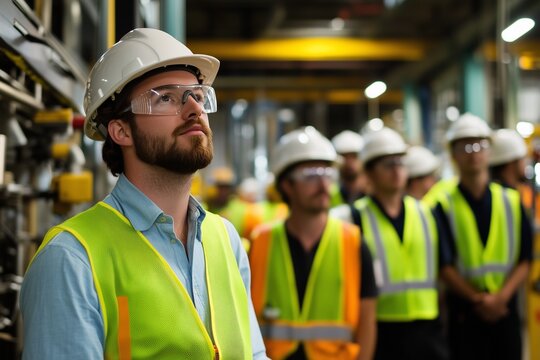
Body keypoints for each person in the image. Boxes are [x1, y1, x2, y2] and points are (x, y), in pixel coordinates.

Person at [20, 28, 267, 359]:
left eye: (197, 94)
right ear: (121, 130)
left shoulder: (226, 239)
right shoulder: (71, 258)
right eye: (165, 97)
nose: (194, 109)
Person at [249, 126, 377, 360]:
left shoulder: (353, 241)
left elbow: (368, 321)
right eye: (311, 175)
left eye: (327, 174)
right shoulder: (261, 242)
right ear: (287, 185)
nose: (323, 184)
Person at [432, 113, 532, 360]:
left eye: (480, 145)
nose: (473, 152)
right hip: (465, 315)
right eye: (465, 146)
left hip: (505, 311)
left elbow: (525, 258)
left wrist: (500, 298)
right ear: (453, 154)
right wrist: (479, 300)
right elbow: (444, 265)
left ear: (489, 151)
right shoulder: (443, 205)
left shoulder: (511, 201)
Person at [351, 127, 448, 360]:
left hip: (426, 328)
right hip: (380, 327)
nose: (396, 171)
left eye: (400, 163)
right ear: (370, 173)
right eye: (388, 164)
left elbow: (445, 268)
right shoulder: (355, 217)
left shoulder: (427, 213)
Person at [206, 166, 264, 239]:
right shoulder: (205, 208)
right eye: (220, 187)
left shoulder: (243, 209)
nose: (223, 191)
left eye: (226, 187)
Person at [330, 130, 367, 206]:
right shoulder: (329, 194)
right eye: (344, 157)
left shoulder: (374, 193)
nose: (349, 162)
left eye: (354, 156)